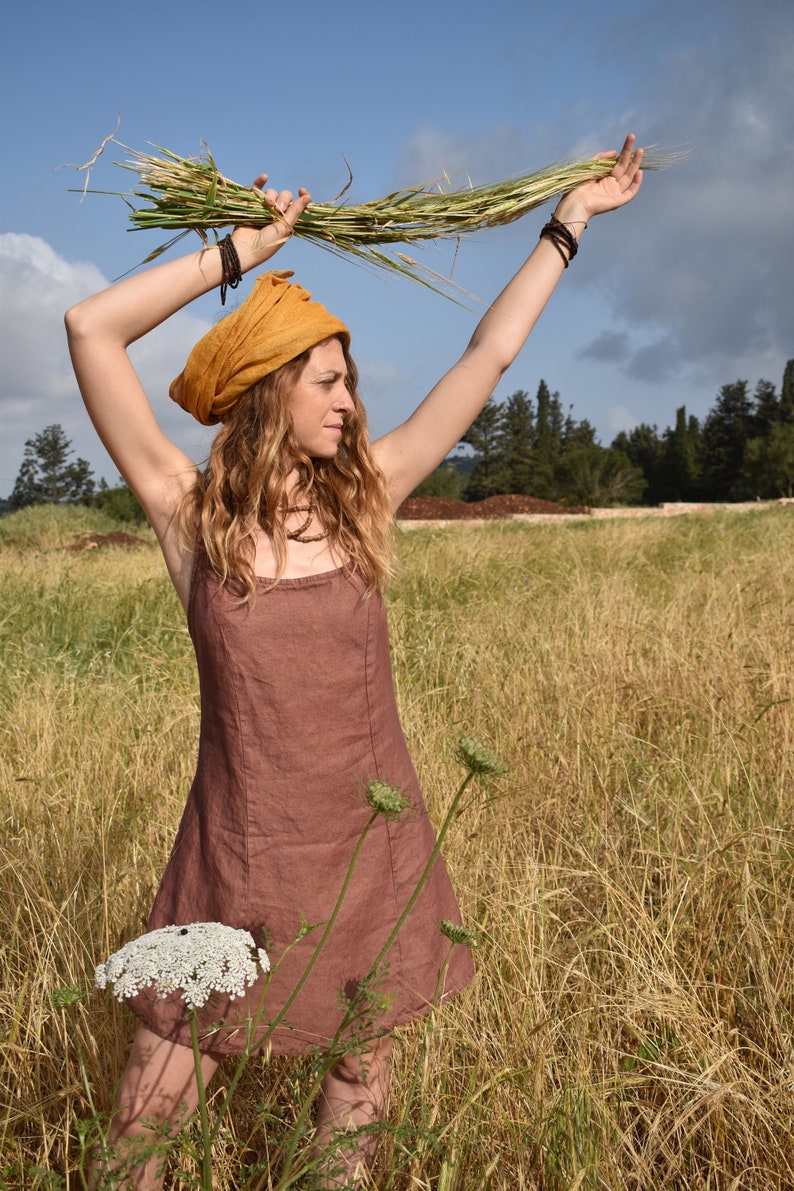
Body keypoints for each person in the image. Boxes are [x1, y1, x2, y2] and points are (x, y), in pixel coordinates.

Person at [65, 134, 644, 1189]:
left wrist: (568, 223)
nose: (349, 401)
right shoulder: (190, 521)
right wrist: (236, 255)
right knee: (146, 1127)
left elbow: (487, 358)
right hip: (233, 861)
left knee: (353, 1118)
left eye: (350, 381)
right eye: (326, 381)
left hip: (370, 856)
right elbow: (89, 328)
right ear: (268, 390)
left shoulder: (367, 499)